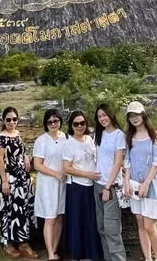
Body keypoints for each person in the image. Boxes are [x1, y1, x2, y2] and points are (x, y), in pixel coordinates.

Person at [123, 102, 157, 261]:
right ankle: (148, 258)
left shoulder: (155, 135)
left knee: (149, 225)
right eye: (131, 116)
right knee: (140, 223)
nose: (134, 118)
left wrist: (146, 183)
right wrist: (127, 182)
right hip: (134, 184)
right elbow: (127, 161)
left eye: (137, 115)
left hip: (151, 185)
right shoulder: (129, 137)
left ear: (143, 114)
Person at [0, 107, 38, 259]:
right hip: (8, 178)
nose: (12, 122)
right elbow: (0, 159)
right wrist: (4, 181)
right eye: (8, 119)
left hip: (21, 178)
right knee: (7, 210)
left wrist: (26, 156)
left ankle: (23, 242)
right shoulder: (1, 137)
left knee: (21, 209)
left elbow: (21, 151)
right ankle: (8, 243)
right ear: (3, 121)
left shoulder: (18, 134)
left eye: (14, 119)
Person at [62, 111, 102, 261]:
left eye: (82, 123)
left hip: (92, 186)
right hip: (77, 188)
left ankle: (91, 254)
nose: (80, 126)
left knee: (91, 221)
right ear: (71, 126)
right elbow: (66, 168)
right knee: (77, 222)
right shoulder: (69, 144)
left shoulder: (90, 140)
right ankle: (76, 254)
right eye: (76, 124)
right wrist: (87, 174)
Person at [93, 104, 127, 261]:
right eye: (99, 117)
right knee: (101, 227)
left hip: (111, 187)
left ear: (111, 115)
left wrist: (108, 187)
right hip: (97, 185)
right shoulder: (99, 134)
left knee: (112, 229)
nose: (102, 119)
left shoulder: (119, 135)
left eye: (104, 115)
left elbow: (118, 163)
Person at [33, 109, 67, 261]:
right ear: (46, 124)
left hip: (63, 183)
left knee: (60, 216)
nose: (53, 124)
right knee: (50, 218)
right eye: (50, 122)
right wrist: (55, 174)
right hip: (48, 183)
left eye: (56, 121)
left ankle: (54, 248)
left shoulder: (64, 137)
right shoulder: (41, 140)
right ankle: (51, 254)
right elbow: (37, 165)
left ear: (60, 121)